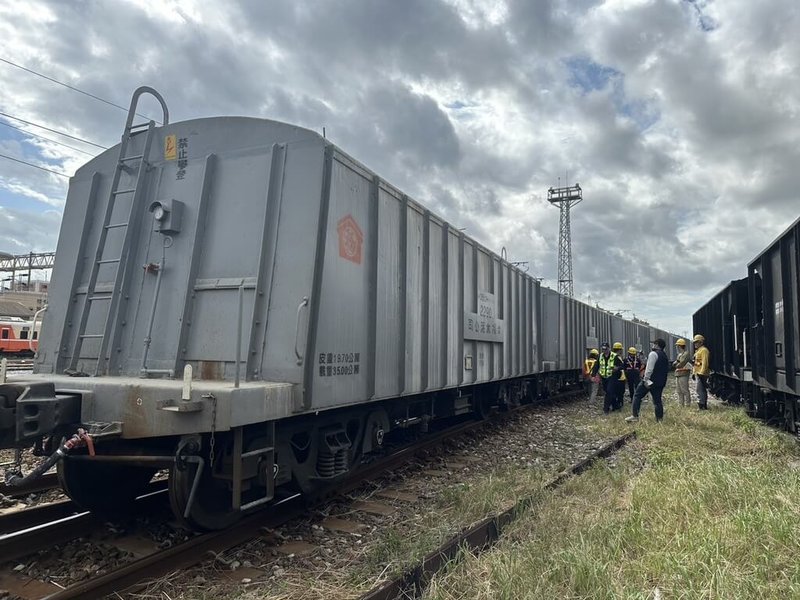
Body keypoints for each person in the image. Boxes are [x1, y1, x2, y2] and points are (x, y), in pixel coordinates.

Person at [625, 338, 669, 422]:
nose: (652, 345)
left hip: (650, 381)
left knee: (637, 395)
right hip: (660, 382)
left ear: (656, 345)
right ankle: (659, 419)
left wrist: (645, 379)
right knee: (657, 401)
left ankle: (635, 416)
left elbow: (649, 368)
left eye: (653, 344)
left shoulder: (653, 354)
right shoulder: (664, 355)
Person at [592, 342, 625, 413]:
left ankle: (605, 409)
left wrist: (617, 368)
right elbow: (596, 366)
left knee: (609, 392)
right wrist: (593, 375)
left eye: (605, 349)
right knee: (608, 392)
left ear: (608, 348)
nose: (604, 350)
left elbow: (622, 366)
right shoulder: (600, 356)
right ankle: (616, 406)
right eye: (603, 349)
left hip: (612, 377)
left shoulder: (614, 356)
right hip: (604, 377)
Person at [692, 334, 710, 409]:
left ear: (701, 342)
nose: (695, 344)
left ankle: (702, 405)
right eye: (694, 342)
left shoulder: (704, 351)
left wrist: (702, 373)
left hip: (701, 374)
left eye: (697, 342)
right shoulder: (698, 351)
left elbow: (705, 363)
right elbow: (696, 363)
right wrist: (693, 373)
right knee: (700, 389)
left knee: (700, 390)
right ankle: (702, 404)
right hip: (698, 373)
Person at [672, 338, 691, 406]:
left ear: (680, 346)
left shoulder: (686, 354)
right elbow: (675, 363)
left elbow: (681, 364)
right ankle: (681, 404)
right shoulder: (680, 354)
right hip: (678, 374)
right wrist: (676, 364)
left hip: (684, 374)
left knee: (685, 390)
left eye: (677, 346)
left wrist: (677, 364)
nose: (676, 347)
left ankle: (687, 404)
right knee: (679, 391)